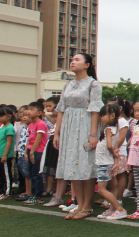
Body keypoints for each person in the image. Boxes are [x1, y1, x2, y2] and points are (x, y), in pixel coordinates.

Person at [53, 53, 103, 220]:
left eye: (77, 59)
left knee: (85, 167)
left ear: (87, 64)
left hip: (85, 126)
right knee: (72, 167)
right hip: (69, 128)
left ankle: (87, 206)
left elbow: (95, 109)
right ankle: (79, 205)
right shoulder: (68, 85)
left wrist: (93, 134)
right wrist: (57, 133)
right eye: (72, 59)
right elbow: (61, 110)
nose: (72, 62)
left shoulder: (93, 84)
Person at [95, 105, 128, 220]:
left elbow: (110, 145)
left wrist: (113, 153)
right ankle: (113, 209)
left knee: (101, 189)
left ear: (112, 115)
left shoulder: (109, 129)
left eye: (103, 115)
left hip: (104, 162)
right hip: (106, 161)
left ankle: (120, 209)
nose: (101, 118)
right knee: (113, 185)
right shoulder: (110, 129)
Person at [24, 101, 48, 205]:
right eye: (28, 109)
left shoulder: (41, 124)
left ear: (39, 113)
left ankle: (38, 196)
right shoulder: (31, 125)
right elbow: (29, 139)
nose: (29, 111)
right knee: (32, 173)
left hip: (38, 151)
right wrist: (26, 152)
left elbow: (38, 140)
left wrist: (32, 152)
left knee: (37, 174)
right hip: (31, 150)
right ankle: (33, 195)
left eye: (32, 109)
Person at [0, 107, 15, 201]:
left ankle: (7, 192)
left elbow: (9, 142)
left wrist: (5, 155)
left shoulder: (9, 128)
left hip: (4, 155)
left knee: (6, 174)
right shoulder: (2, 127)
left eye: (1, 116)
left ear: (9, 116)